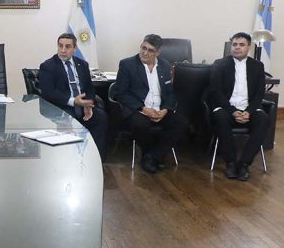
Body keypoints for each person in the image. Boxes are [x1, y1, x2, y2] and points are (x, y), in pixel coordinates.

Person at [114, 34, 189, 173]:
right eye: (143, 48)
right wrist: (144, 109)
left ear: (158, 52)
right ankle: (151, 156)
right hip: (138, 109)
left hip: (160, 109)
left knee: (181, 122)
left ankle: (152, 157)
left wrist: (165, 110)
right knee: (140, 124)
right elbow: (121, 93)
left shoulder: (165, 66)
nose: (145, 53)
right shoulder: (127, 64)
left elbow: (170, 93)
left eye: (150, 50)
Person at [208, 32, 270, 181]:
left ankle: (244, 164)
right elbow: (216, 92)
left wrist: (248, 111)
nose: (237, 48)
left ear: (249, 47)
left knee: (263, 119)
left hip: (249, 108)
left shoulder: (257, 66)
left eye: (241, 45)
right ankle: (230, 162)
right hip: (226, 108)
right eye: (234, 44)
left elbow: (259, 94)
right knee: (221, 118)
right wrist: (233, 111)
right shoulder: (220, 64)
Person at [38, 32, 108, 157]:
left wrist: (88, 104)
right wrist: (73, 101)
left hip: (82, 106)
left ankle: (96, 158)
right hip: (62, 108)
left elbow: (89, 88)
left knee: (101, 117)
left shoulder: (83, 64)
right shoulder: (48, 66)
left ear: (75, 48)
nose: (63, 50)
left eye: (67, 46)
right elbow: (48, 93)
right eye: (60, 46)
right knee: (69, 121)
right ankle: (69, 159)